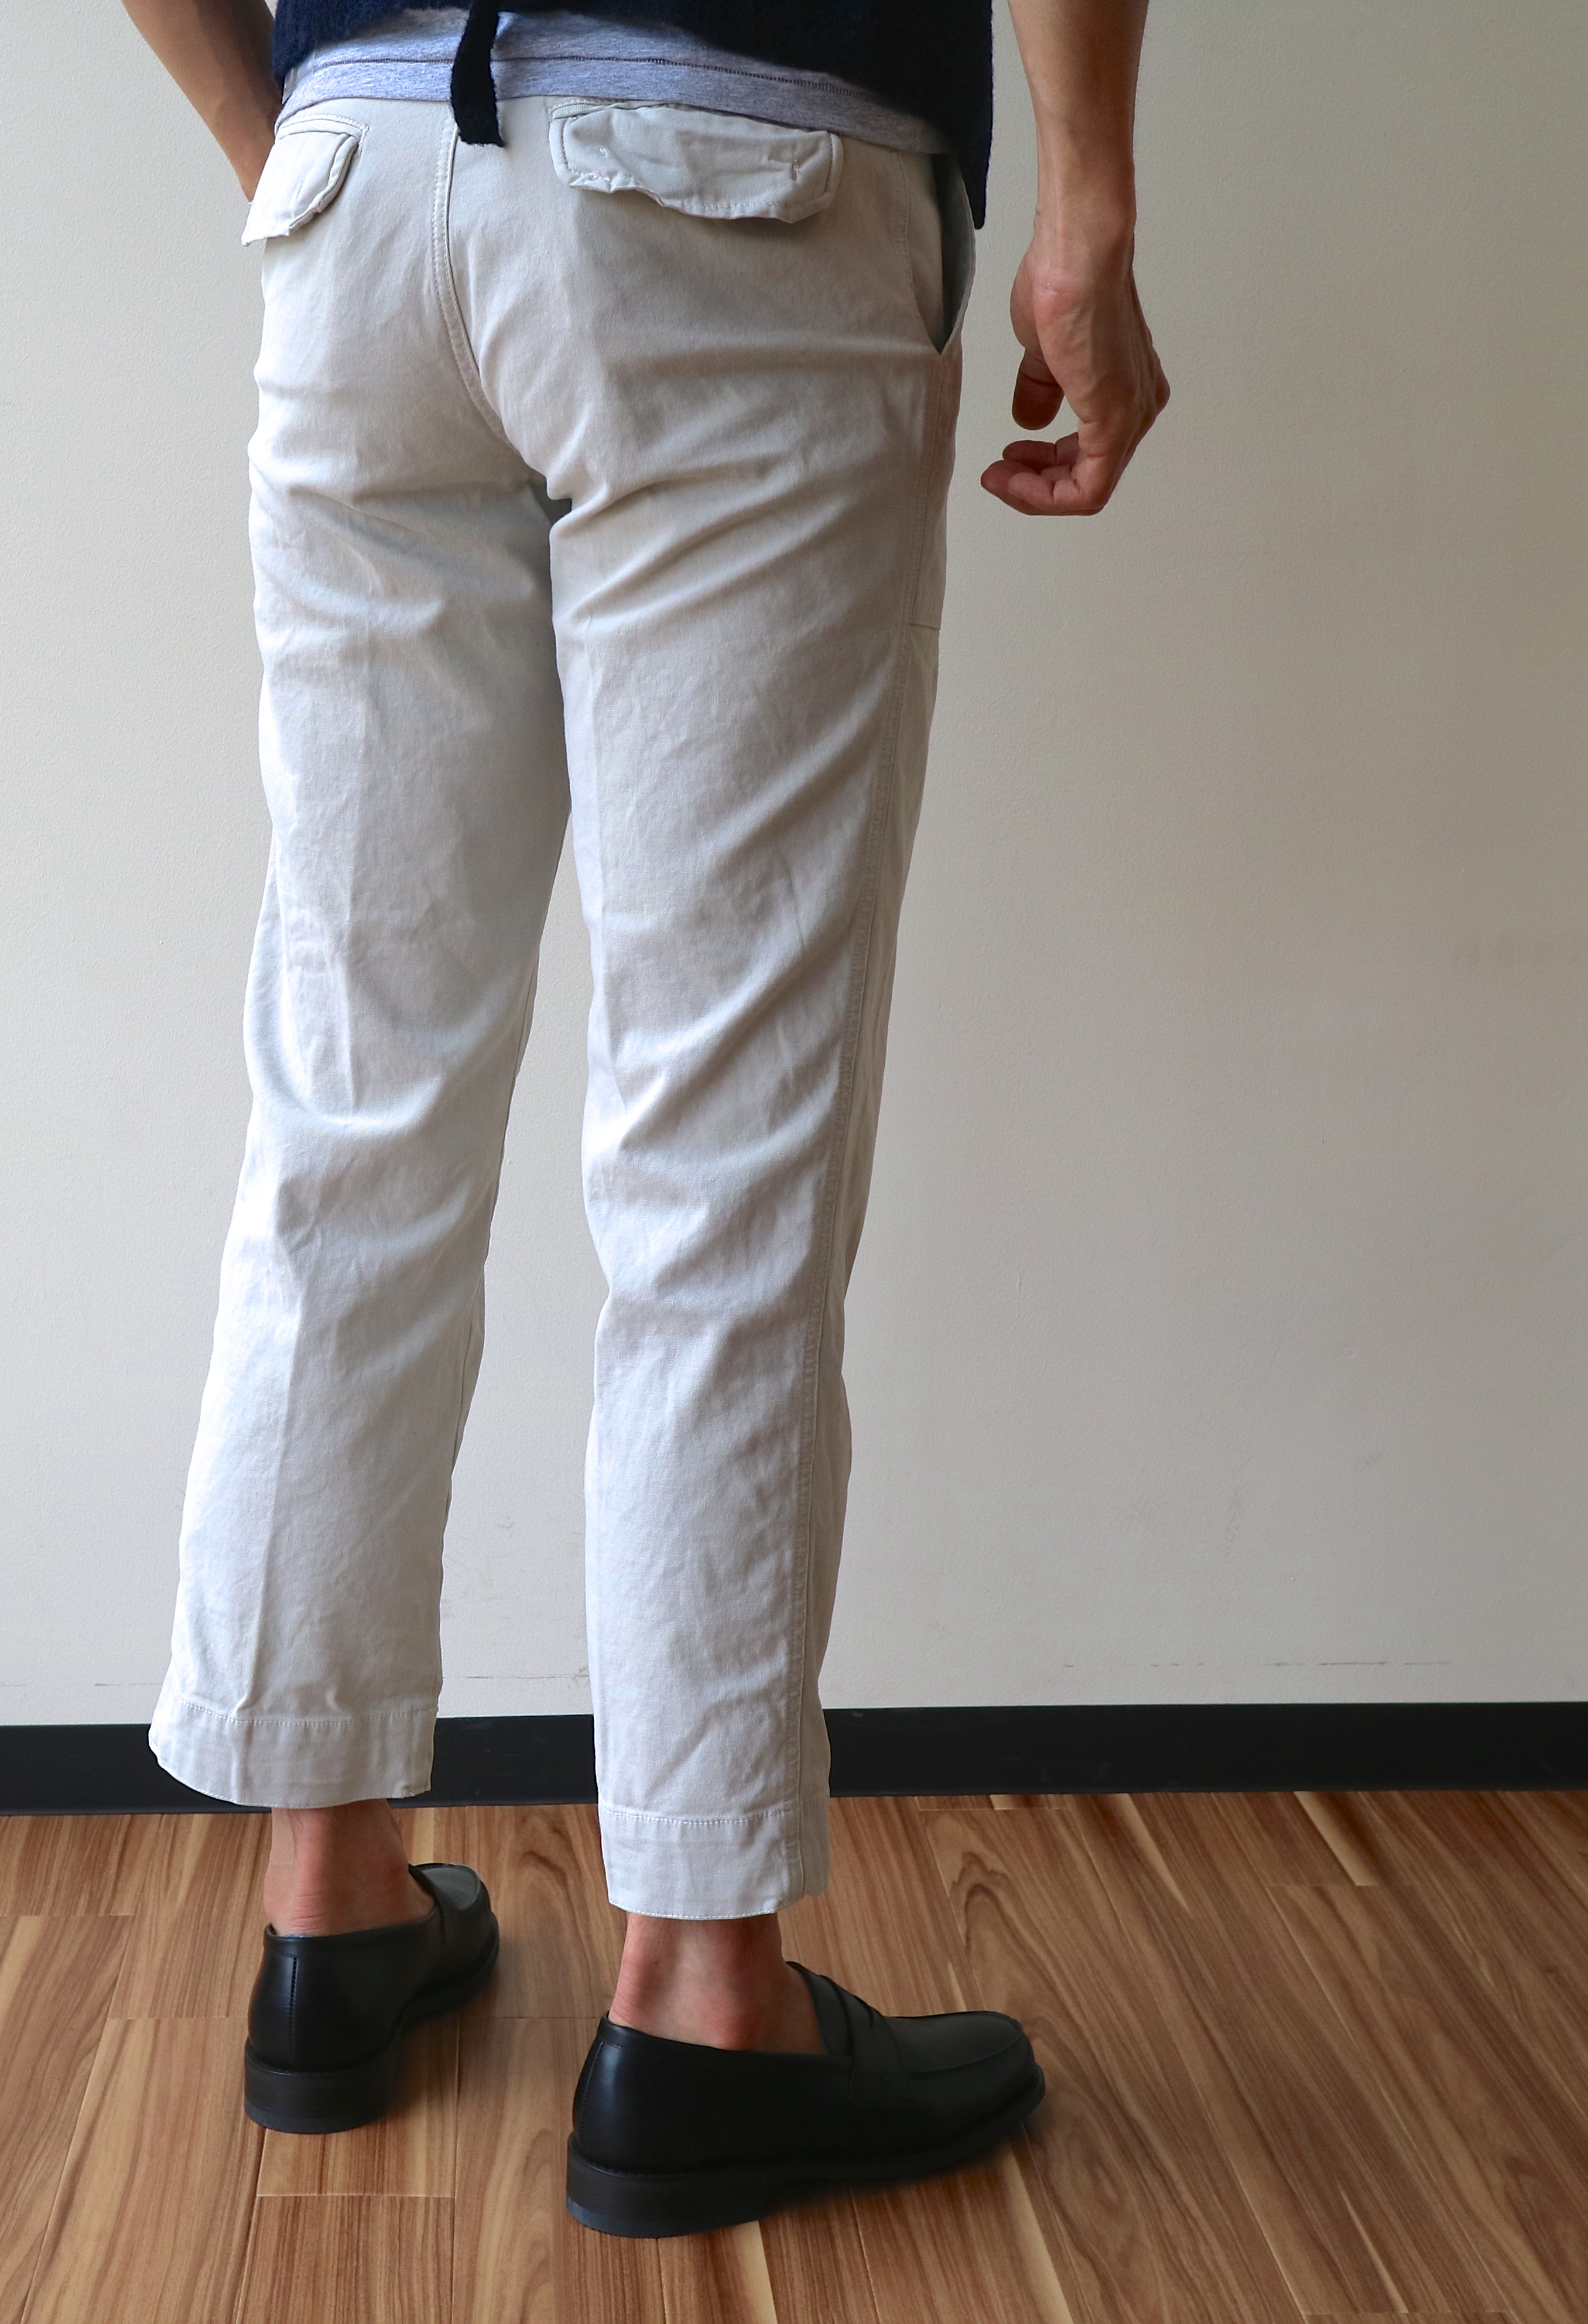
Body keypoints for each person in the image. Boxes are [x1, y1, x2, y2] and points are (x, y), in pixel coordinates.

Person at [126, 0, 1166, 2238]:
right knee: (720, 1155)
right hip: (740, 171)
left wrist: (288, 141)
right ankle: (701, 2010)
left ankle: (329, 1910)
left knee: (353, 1107)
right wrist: (1089, 190)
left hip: (362, 184)